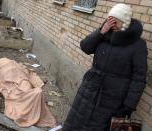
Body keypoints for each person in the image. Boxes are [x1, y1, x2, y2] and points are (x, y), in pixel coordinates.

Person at [62, 3, 148, 131]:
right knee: (76, 121)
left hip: (112, 98)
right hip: (89, 90)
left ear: (124, 21)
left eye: (115, 20)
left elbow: (139, 78)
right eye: (110, 19)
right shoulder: (104, 34)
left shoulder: (137, 45)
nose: (111, 23)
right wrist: (100, 32)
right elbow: (85, 47)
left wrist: (128, 106)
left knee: (97, 126)